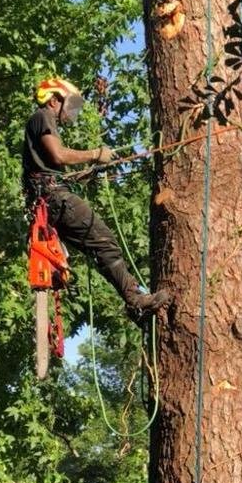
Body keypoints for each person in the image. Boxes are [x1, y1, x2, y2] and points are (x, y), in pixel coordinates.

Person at [22, 77, 171, 321]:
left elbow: (49, 167)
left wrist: (83, 174)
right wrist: (95, 154)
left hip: (48, 200)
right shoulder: (43, 116)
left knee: (97, 248)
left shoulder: (40, 123)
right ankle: (135, 299)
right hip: (54, 198)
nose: (70, 111)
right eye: (67, 103)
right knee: (104, 242)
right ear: (53, 99)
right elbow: (58, 155)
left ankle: (134, 305)